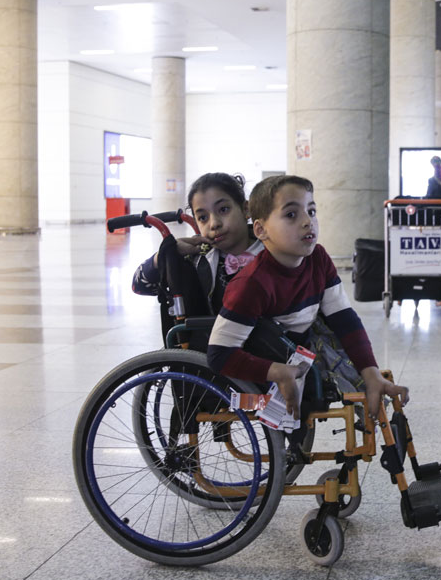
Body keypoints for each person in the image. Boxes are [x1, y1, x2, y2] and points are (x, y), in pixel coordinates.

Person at [206, 175, 408, 429]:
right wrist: (277, 371)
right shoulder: (251, 284)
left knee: (364, 375)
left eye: (311, 211)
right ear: (261, 230)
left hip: (305, 343)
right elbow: (219, 355)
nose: (307, 222)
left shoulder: (319, 259)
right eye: (291, 215)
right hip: (269, 358)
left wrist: (371, 372)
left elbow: (344, 319)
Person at [132, 172, 264, 318]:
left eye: (223, 209)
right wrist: (166, 255)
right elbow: (140, 286)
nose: (214, 224)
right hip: (209, 339)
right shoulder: (196, 259)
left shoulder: (275, 250)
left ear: (246, 209)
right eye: (203, 218)